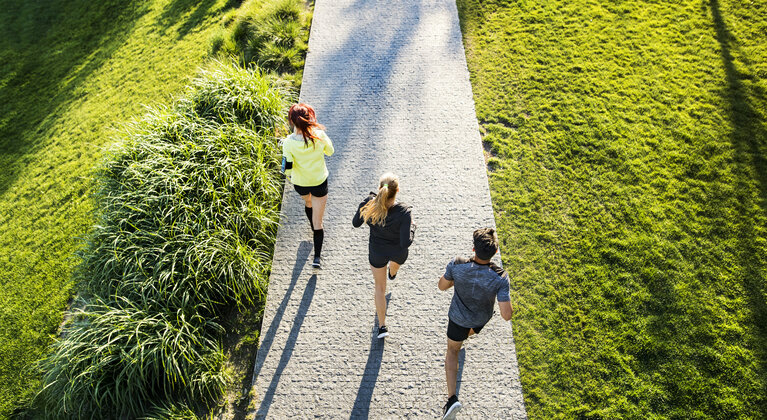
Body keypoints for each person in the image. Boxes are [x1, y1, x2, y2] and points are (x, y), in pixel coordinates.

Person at [438, 228, 513, 419]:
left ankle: (451, 399)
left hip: (457, 319)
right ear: (495, 253)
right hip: (480, 320)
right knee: (465, 335)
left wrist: (457, 280)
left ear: (473, 249)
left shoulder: (457, 264)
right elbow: (506, 315)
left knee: (452, 351)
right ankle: (463, 339)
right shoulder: (500, 277)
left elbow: (442, 286)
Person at [352, 173, 414, 339]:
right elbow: (405, 242)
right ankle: (393, 273)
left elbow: (355, 223)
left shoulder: (370, 204)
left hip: (377, 252)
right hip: (397, 252)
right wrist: (413, 229)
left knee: (380, 288)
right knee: (395, 265)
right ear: (397, 190)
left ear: (380, 189)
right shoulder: (404, 211)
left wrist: (365, 202)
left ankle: (382, 326)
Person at [282, 103, 334, 268]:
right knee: (319, 223)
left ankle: (311, 224)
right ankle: (316, 258)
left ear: (292, 121)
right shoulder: (319, 135)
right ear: (309, 118)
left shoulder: (288, 143)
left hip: (300, 184)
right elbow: (330, 152)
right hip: (319, 181)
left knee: (308, 202)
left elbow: (287, 168)